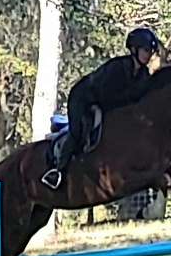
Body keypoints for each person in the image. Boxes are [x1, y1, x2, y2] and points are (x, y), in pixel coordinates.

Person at [41, 27, 160, 189]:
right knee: (78, 132)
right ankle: (57, 171)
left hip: (103, 104)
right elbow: (108, 96)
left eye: (151, 51)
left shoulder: (144, 74)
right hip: (83, 99)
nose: (149, 55)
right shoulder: (117, 67)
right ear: (134, 49)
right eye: (146, 50)